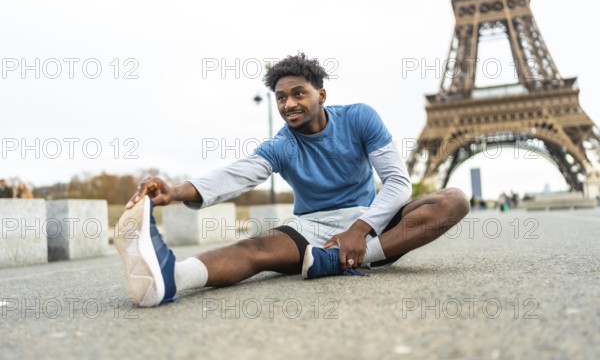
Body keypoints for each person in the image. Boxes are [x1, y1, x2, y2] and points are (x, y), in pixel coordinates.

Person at [116, 53, 470, 307]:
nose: (288, 104)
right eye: (281, 98)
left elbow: (397, 182)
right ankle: (170, 278)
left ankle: (346, 259)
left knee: (453, 200)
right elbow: (235, 176)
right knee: (252, 250)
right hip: (312, 228)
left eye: (298, 93)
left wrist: (360, 230)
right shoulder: (281, 145)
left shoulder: (360, 118)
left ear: (321, 95)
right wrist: (175, 191)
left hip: (372, 221)